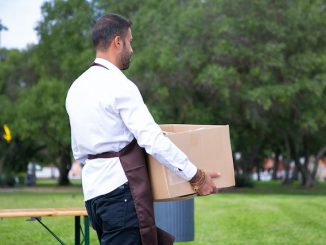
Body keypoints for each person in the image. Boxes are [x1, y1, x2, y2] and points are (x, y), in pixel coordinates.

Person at [65, 13, 219, 245]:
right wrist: (196, 176)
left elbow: (79, 151)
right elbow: (153, 141)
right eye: (130, 41)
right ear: (118, 42)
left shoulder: (75, 89)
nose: (132, 48)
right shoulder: (120, 85)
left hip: (94, 196)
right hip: (121, 196)